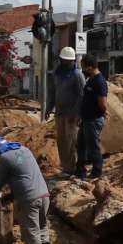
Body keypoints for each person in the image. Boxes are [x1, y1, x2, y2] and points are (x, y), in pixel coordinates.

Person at [48, 46, 84, 178]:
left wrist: (76, 114)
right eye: (65, 60)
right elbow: (53, 92)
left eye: (70, 61)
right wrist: (48, 108)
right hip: (59, 113)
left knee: (71, 142)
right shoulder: (57, 74)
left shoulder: (77, 75)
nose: (68, 63)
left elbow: (81, 96)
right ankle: (65, 167)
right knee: (61, 141)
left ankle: (72, 169)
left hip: (71, 115)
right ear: (61, 60)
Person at [77, 56, 110, 180]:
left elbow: (102, 102)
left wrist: (105, 112)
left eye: (83, 66)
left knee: (93, 147)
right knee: (81, 145)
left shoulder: (99, 81)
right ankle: (80, 170)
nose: (82, 69)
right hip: (86, 119)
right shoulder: (91, 79)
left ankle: (96, 172)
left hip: (93, 119)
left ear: (89, 66)